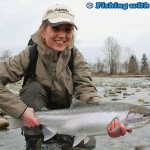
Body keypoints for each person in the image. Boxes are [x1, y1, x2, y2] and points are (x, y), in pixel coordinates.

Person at [0, 3, 132, 150]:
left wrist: (107, 123)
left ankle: (59, 137)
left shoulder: (76, 58)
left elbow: (87, 93)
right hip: (33, 117)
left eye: (67, 29)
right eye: (55, 28)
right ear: (42, 30)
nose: (62, 35)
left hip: (69, 118)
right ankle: (34, 143)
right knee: (32, 89)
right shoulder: (28, 55)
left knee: (89, 144)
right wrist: (21, 111)